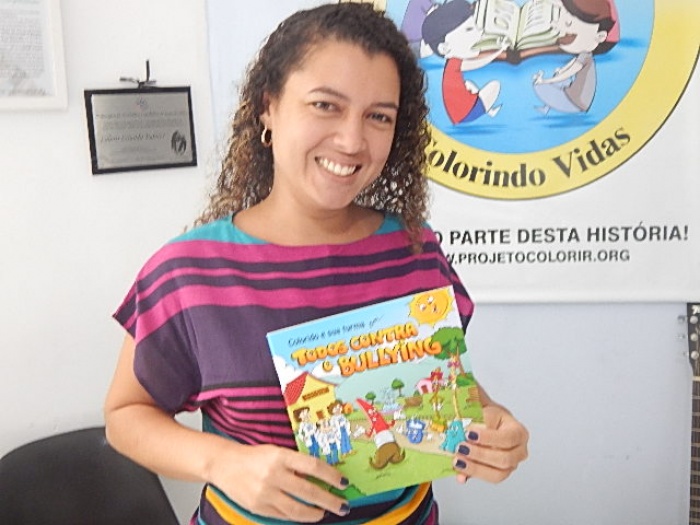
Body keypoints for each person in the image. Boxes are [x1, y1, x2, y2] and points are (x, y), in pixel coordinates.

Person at [103, 4, 529, 525]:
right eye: (325, 105)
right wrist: (222, 462)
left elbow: (443, 382)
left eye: (379, 116)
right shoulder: (188, 274)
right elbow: (126, 416)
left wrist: (493, 424)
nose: (352, 141)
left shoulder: (414, 251)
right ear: (268, 107)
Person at [532, 0, 619, 115]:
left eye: (569, 23)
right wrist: (561, 70)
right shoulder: (584, 55)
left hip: (574, 102)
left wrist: (546, 81)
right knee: (559, 77)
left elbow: (571, 71)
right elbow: (572, 64)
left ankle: (547, 102)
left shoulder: (585, 58)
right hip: (574, 97)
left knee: (538, 86)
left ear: (600, 36)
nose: (557, 26)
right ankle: (546, 108)